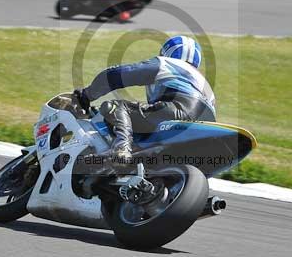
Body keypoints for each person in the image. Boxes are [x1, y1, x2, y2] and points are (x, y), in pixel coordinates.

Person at [74, 35, 215, 166]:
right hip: (206, 127)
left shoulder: (168, 64)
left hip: (178, 110)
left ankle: (121, 148)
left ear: (166, 52)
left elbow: (117, 75)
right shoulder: (204, 83)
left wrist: (87, 95)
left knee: (117, 107)